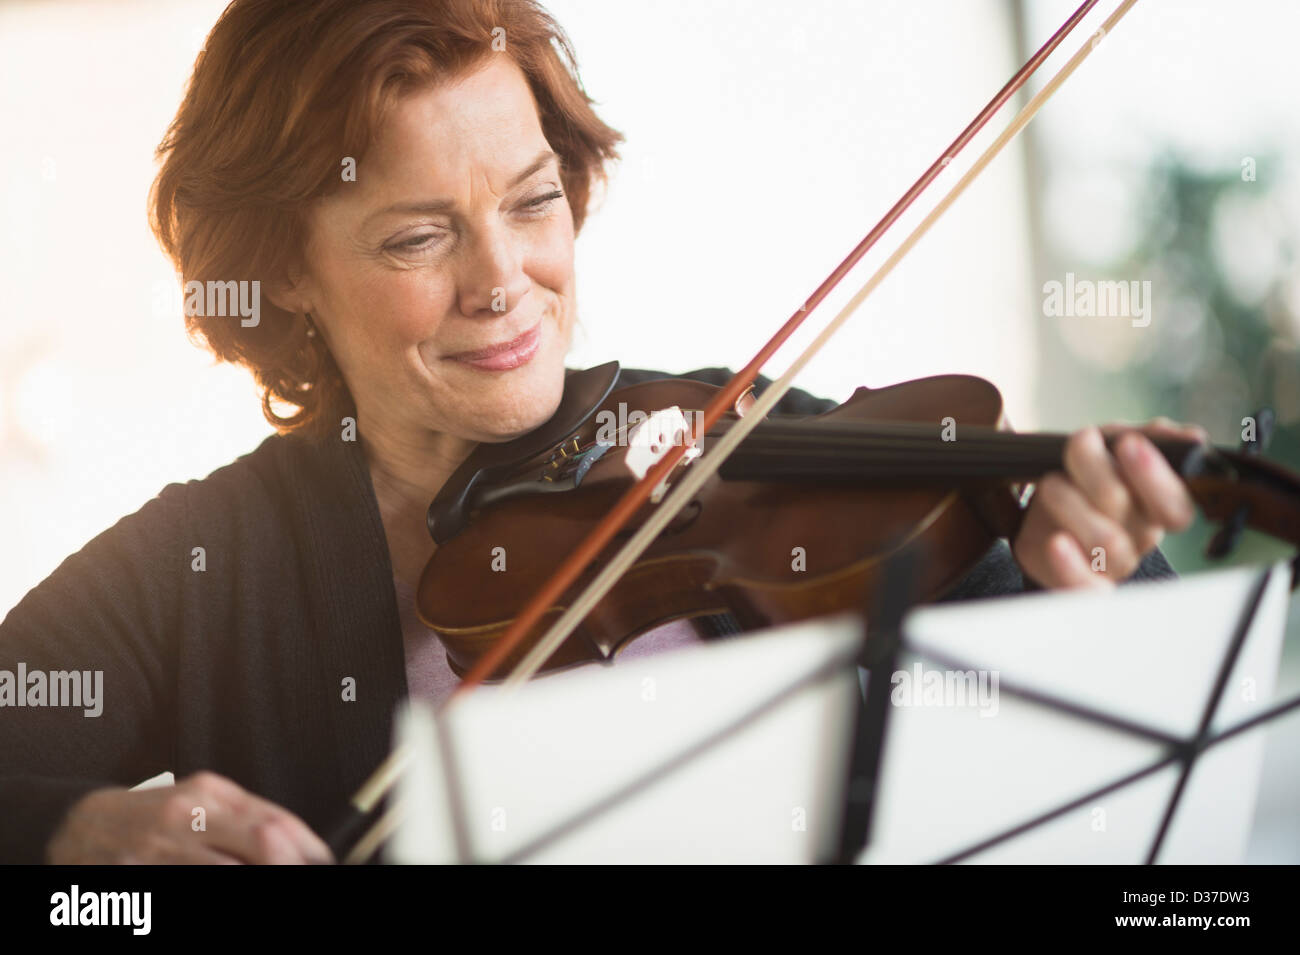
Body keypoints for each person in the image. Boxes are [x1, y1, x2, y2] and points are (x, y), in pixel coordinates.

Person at [0, 0, 1202, 864]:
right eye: (418, 238)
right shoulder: (208, 565)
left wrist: (1083, 578)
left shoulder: (731, 443)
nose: (503, 281)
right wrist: (78, 845)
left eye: (532, 202)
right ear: (287, 275)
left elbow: (1075, 740)